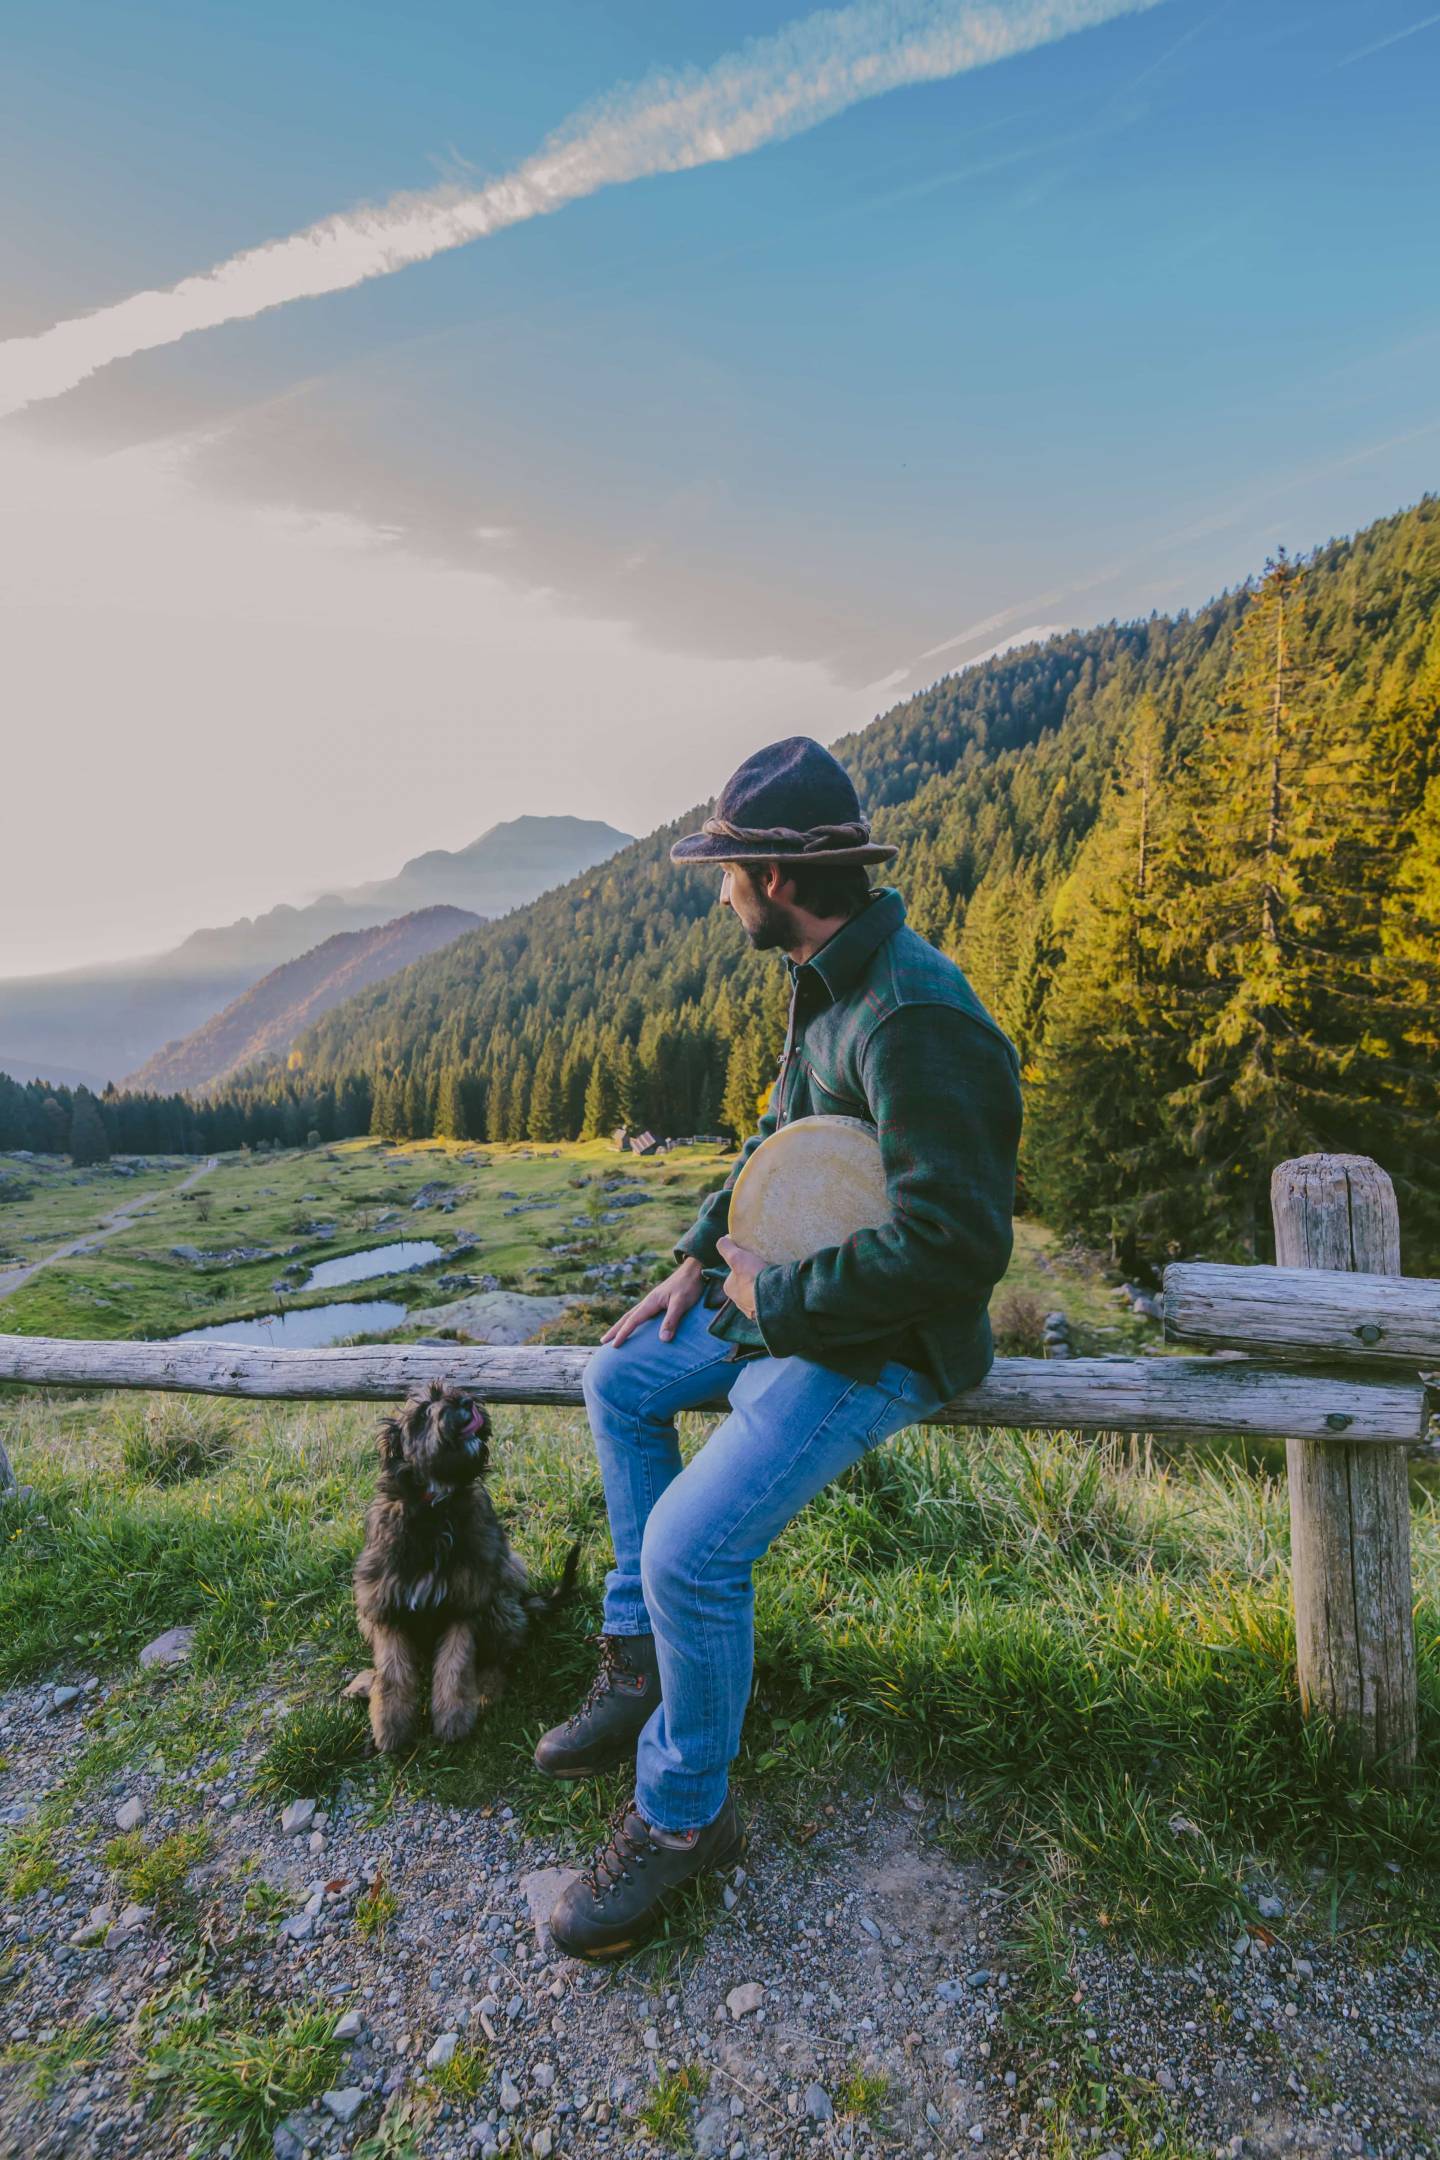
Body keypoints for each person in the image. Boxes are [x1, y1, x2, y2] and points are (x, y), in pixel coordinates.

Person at [538, 734, 1022, 1960]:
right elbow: (778, 1141)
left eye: (727, 871)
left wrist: (777, 1307)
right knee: (622, 1374)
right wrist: (704, 1253)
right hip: (793, 1300)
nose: (717, 893)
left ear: (779, 878)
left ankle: (683, 1816)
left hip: (885, 1346)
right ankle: (642, 1657)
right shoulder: (827, 974)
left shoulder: (915, 1018)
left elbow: (958, 1249)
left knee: (695, 1547)